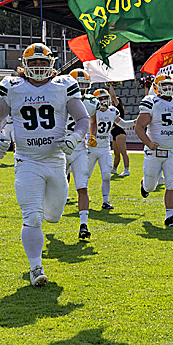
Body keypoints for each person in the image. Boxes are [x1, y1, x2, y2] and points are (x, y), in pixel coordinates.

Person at [0, 44, 90, 287]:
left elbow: (83, 118)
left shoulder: (63, 85)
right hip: (27, 160)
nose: (39, 66)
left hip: (55, 160)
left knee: (53, 216)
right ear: (25, 64)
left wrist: (76, 137)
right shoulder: (13, 87)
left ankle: (41, 229)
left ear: (51, 64)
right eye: (34, 62)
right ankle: (36, 267)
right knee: (32, 216)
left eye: (43, 62)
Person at [136, 73, 173, 228]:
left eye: (170, 85)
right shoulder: (151, 101)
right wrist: (148, 143)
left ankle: (169, 217)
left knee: (172, 183)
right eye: (164, 85)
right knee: (150, 186)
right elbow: (139, 126)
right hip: (154, 151)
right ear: (156, 87)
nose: (168, 88)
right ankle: (144, 185)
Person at [65, 70, 100, 239]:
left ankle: (83, 224)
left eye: (84, 84)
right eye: (78, 84)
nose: (81, 87)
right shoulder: (59, 97)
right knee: (56, 187)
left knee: (82, 187)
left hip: (79, 148)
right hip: (61, 148)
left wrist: (92, 135)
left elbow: (93, 121)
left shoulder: (91, 102)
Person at [88, 87, 136, 213]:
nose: (104, 100)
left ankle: (106, 201)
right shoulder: (91, 111)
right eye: (101, 98)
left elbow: (123, 124)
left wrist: (136, 121)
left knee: (107, 175)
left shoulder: (112, 111)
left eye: (105, 98)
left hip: (104, 147)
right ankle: (82, 198)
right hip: (91, 147)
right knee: (85, 175)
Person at [110, 93, 130, 178]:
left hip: (119, 133)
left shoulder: (119, 109)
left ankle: (126, 170)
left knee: (123, 152)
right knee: (116, 153)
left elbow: (113, 96)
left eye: (113, 102)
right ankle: (114, 169)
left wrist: (110, 86)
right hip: (114, 134)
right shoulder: (112, 111)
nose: (112, 103)